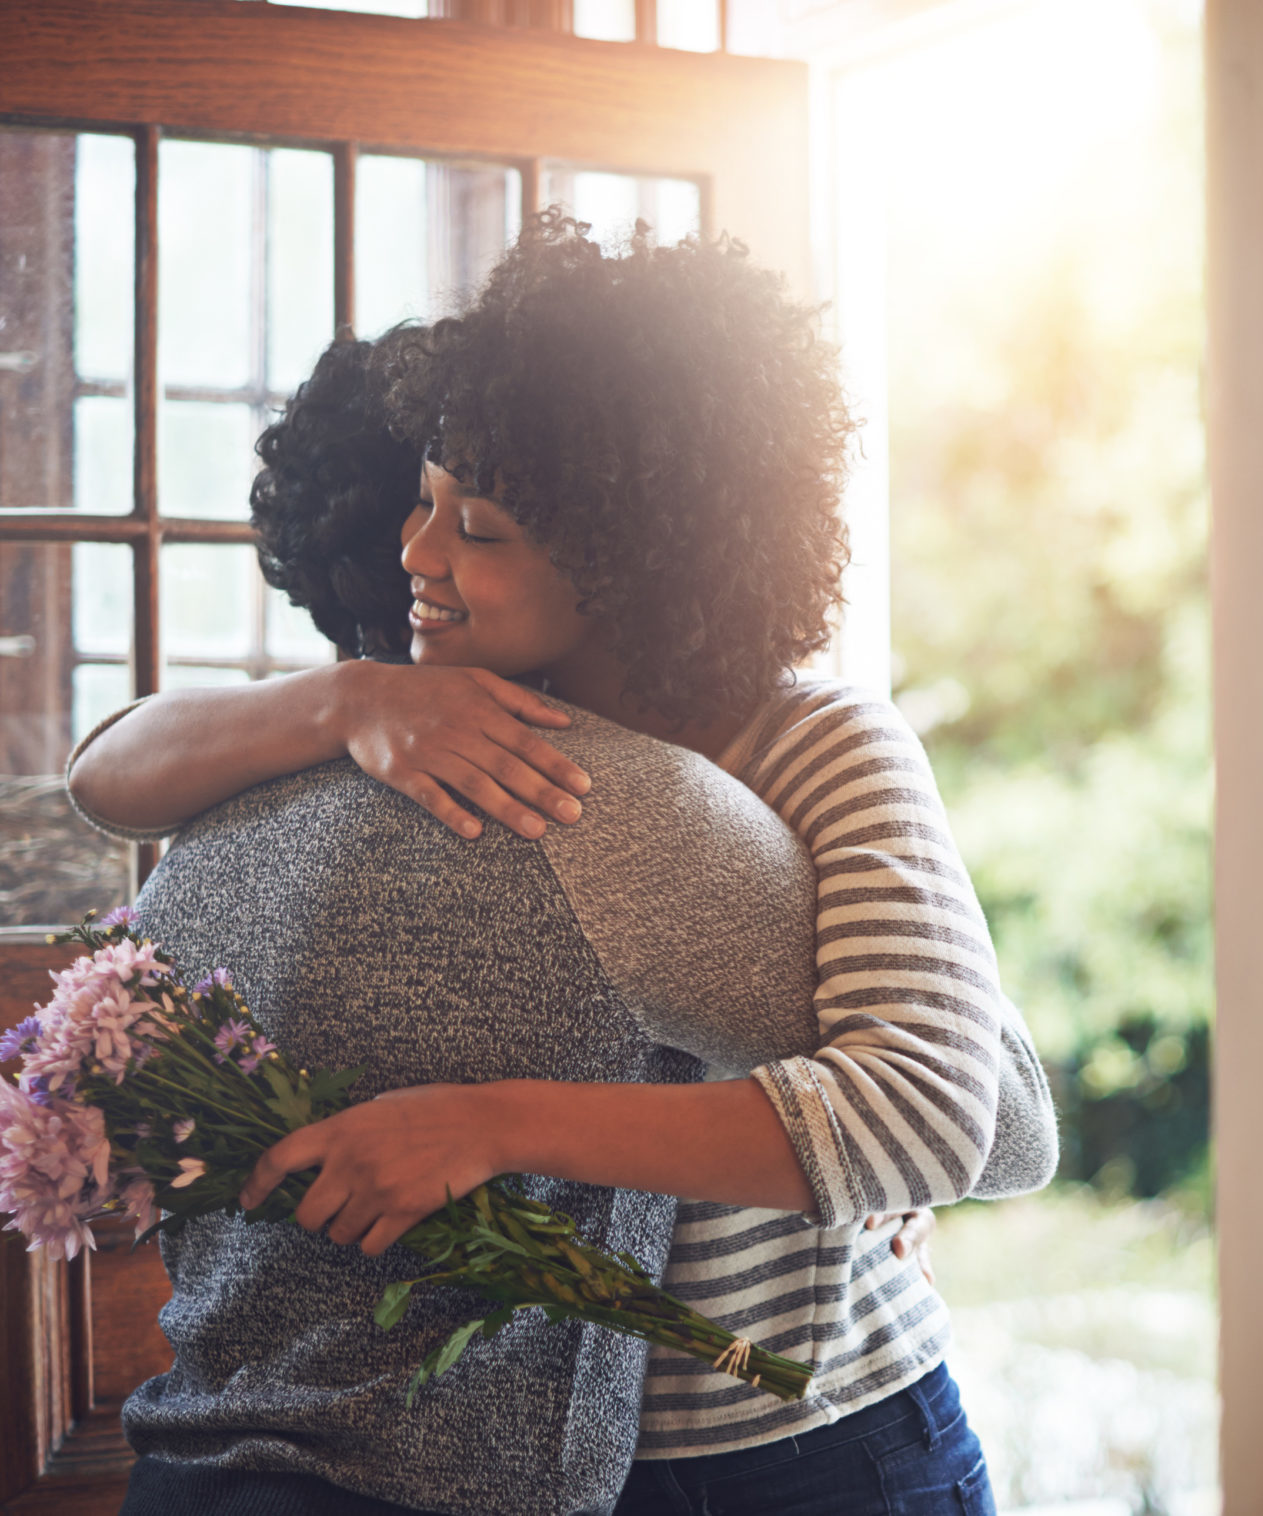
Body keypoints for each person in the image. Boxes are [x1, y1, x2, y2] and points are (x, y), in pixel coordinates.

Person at [70, 214, 1051, 1514]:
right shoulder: (447, 727)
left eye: (474, 528)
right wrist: (342, 701)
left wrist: (488, 1125)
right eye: (427, 505)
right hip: (583, 1468)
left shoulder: (818, 743)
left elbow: (965, 1113)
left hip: (813, 1445)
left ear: (629, 559)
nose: (419, 558)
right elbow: (103, 770)